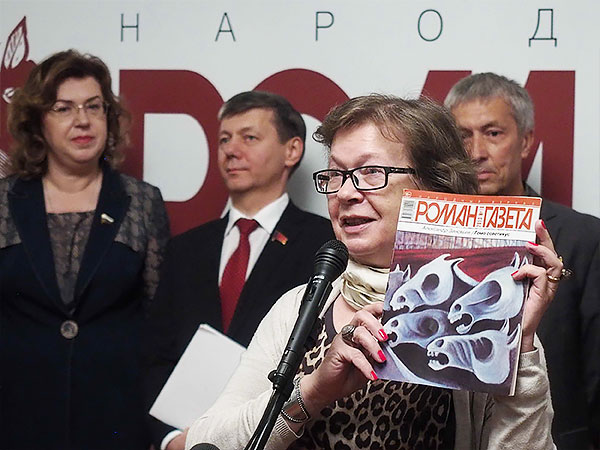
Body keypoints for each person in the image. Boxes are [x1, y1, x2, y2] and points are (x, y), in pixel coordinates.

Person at [185, 94, 560, 450]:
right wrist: (310, 393)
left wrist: (521, 346)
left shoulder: (481, 320)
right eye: (336, 175)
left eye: (370, 172)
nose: (345, 193)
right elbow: (205, 441)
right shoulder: (299, 308)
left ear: (432, 185)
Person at [144, 91, 335, 450]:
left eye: (249, 137)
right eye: (224, 140)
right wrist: (170, 439)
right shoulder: (186, 248)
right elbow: (155, 356)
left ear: (292, 150)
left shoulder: (324, 246)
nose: (231, 150)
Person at [0, 50, 170, 449]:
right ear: (37, 121)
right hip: (16, 418)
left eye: (94, 106)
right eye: (64, 108)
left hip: (116, 419)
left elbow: (158, 324)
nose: (83, 120)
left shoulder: (141, 202)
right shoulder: (4, 202)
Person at [445, 72, 600, 449]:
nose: (476, 152)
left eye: (493, 133)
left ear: (526, 141)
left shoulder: (583, 236)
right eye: (463, 136)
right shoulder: (426, 236)